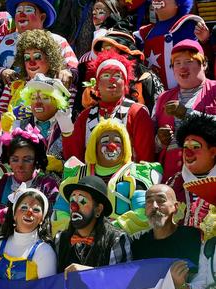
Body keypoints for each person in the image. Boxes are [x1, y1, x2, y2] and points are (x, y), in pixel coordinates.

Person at [54, 117, 163, 234]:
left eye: (117, 142)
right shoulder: (77, 174)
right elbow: (60, 211)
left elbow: (143, 213)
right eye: (105, 141)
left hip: (120, 241)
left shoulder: (135, 174)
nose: (112, 146)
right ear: (94, 146)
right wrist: (77, 230)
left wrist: (109, 229)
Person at [62, 50, 156, 163]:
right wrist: (66, 130)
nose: (112, 81)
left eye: (117, 76)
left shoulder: (137, 112)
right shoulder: (85, 117)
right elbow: (74, 160)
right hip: (91, 178)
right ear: (97, 84)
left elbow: (145, 160)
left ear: (126, 83)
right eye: (106, 75)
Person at [132, 184, 201, 289]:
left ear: (175, 207)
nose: (154, 206)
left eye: (161, 200)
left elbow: (198, 282)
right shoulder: (137, 242)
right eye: (149, 201)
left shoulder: (191, 237)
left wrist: (180, 284)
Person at [0, 126, 59, 232]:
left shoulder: (47, 185)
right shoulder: (0, 182)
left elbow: (52, 219)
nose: (20, 165)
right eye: (15, 159)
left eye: (27, 160)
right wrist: (0, 216)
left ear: (36, 160)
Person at [154, 40, 216, 181]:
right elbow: (151, 146)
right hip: (172, 177)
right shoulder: (162, 98)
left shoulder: (214, 90)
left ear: (204, 64)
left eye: (189, 61)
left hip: (209, 177)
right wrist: (159, 140)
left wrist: (186, 113)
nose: (183, 68)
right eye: (177, 63)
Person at [54, 175, 132, 274]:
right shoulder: (60, 239)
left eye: (82, 201)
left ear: (98, 209)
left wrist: (90, 273)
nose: (74, 207)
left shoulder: (117, 239)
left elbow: (121, 280)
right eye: (72, 201)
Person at [167, 114, 216, 228]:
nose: (188, 153)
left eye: (195, 147)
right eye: (185, 147)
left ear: (213, 152)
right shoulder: (174, 182)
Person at [17, 74, 71, 174]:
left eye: (45, 98)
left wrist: (62, 166)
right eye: (33, 98)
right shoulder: (21, 125)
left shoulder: (68, 126)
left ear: (57, 101)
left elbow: (78, 161)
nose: (37, 103)